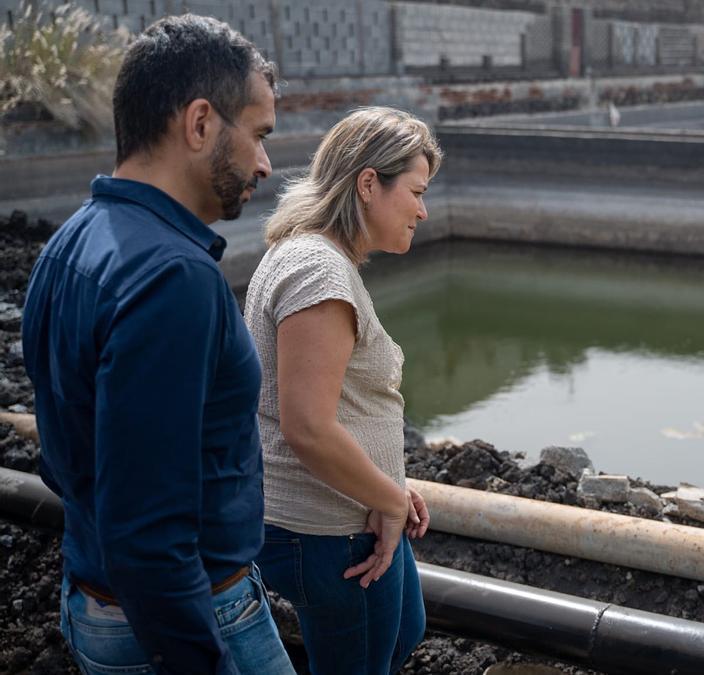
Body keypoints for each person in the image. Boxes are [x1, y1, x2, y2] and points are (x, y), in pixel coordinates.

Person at [21, 14, 294, 675]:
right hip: (188, 617)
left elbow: (65, 459)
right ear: (199, 123)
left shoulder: (68, 245)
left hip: (97, 597)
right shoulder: (174, 278)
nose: (265, 161)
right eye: (257, 134)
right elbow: (149, 532)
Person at [245, 107, 439, 675]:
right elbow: (308, 427)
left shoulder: (313, 257)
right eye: (417, 191)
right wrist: (387, 498)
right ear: (368, 183)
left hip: (356, 511)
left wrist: (390, 490)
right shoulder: (318, 274)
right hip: (326, 531)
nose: (424, 210)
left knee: (406, 629)